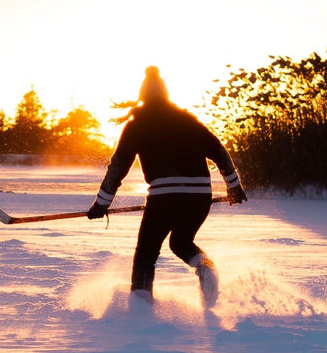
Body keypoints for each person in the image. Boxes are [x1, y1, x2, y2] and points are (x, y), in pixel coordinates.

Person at [87, 66, 247, 307]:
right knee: (181, 243)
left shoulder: (137, 125)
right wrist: (234, 187)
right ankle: (204, 267)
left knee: (146, 255)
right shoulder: (188, 120)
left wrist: (101, 204)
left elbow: (118, 167)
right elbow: (219, 152)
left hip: (163, 198)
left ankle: (140, 309)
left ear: (143, 95)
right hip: (199, 197)